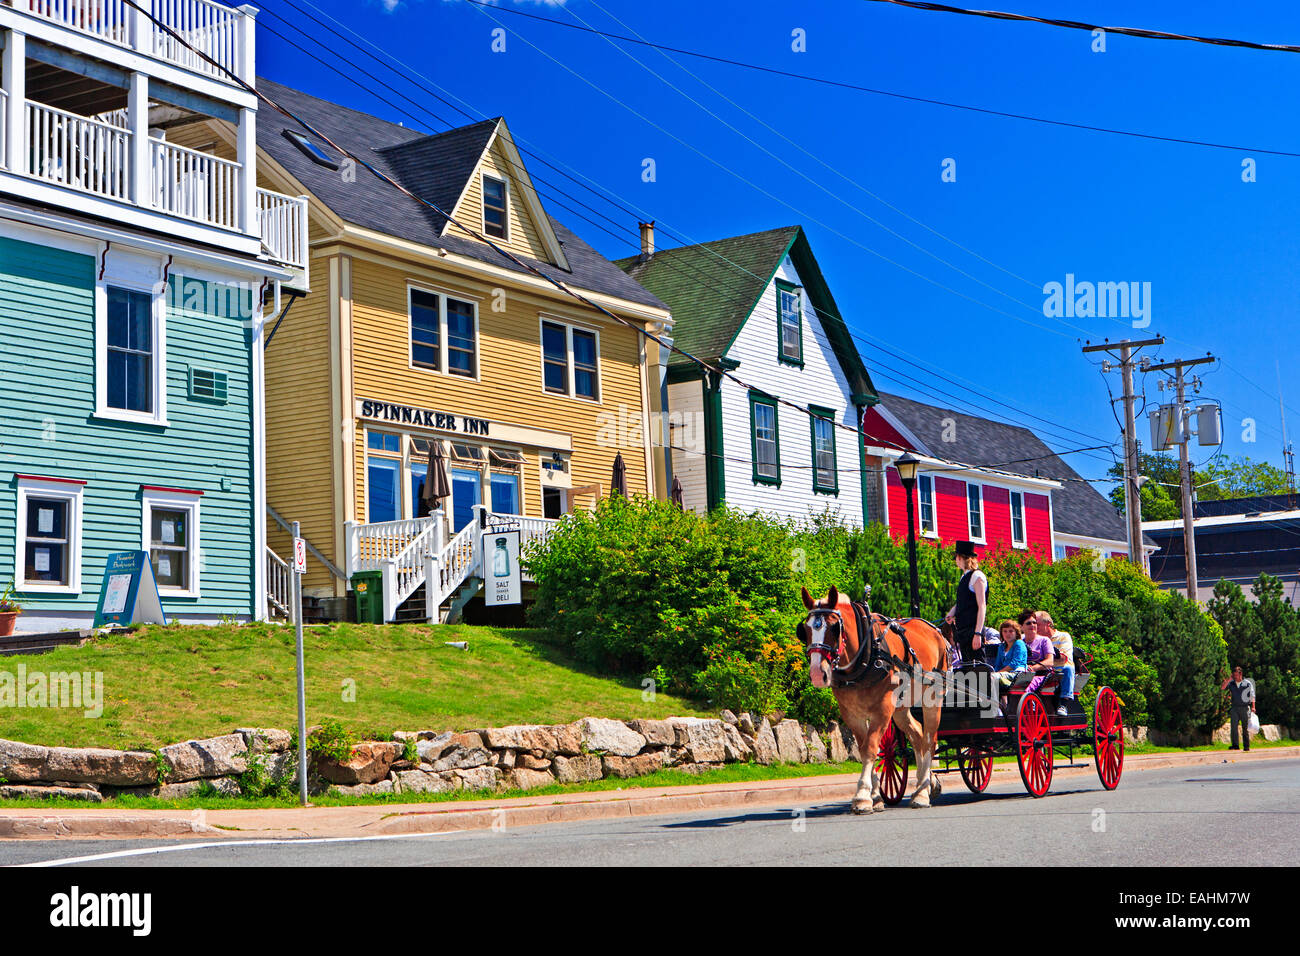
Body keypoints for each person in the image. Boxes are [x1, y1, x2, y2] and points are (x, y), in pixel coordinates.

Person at [944, 541, 988, 664]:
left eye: (956, 557)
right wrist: (951, 613)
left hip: (973, 629)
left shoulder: (977, 576)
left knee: (978, 666)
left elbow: (982, 605)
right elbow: (962, 602)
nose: (955, 560)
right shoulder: (964, 577)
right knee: (968, 666)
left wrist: (978, 633)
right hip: (963, 630)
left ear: (960, 558)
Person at [1036, 611, 1076, 717]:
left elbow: (1063, 659)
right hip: (1043, 670)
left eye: (1038, 624)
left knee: (1068, 668)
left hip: (1060, 670)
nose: (1035, 628)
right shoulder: (1036, 639)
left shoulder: (1063, 636)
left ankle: (1063, 704)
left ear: (1048, 623)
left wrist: (1046, 659)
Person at [1221, 667, 1257, 751]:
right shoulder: (1232, 683)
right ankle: (1235, 745)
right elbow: (1222, 688)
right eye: (1233, 675)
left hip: (1244, 708)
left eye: (1236, 675)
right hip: (1234, 708)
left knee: (1245, 727)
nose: (1235, 677)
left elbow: (1252, 695)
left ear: (1240, 674)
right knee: (1233, 727)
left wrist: (1253, 707)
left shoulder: (1247, 683)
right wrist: (1229, 679)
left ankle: (1246, 746)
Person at [993, 620, 1028, 686]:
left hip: (1018, 673)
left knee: (992, 677)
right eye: (1005, 631)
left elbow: (1015, 664)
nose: (1007, 634)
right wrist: (996, 672)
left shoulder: (1019, 644)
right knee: (984, 677)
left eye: (1011, 631)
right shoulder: (1001, 647)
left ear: (1016, 633)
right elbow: (998, 664)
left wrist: (998, 673)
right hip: (1004, 674)